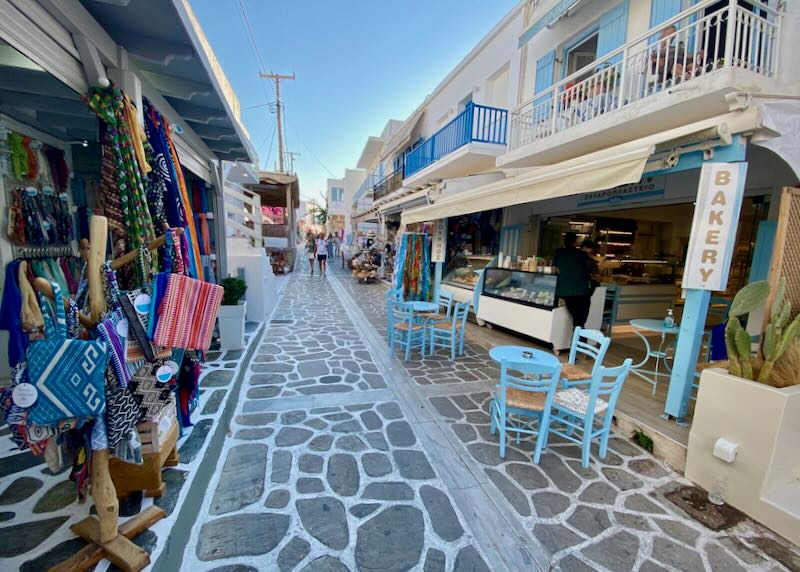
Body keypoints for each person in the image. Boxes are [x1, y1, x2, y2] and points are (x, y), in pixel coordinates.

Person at [554, 232, 592, 330]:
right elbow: (588, 272)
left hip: (565, 291)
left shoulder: (559, 253)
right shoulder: (583, 254)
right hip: (581, 291)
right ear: (575, 241)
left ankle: (579, 340)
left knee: (577, 319)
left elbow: (557, 270)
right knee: (580, 319)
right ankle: (580, 340)